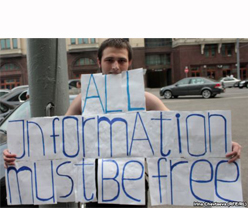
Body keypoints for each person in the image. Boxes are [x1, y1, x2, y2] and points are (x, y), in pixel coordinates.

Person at [3, 39, 242, 206]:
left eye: (121, 60)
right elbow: (58, 140)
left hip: (134, 186)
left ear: (129, 63)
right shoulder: (84, 101)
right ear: (99, 62)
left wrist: (220, 143)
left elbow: (179, 128)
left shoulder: (145, 98)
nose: (115, 67)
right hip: (95, 188)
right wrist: (21, 155)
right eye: (109, 60)